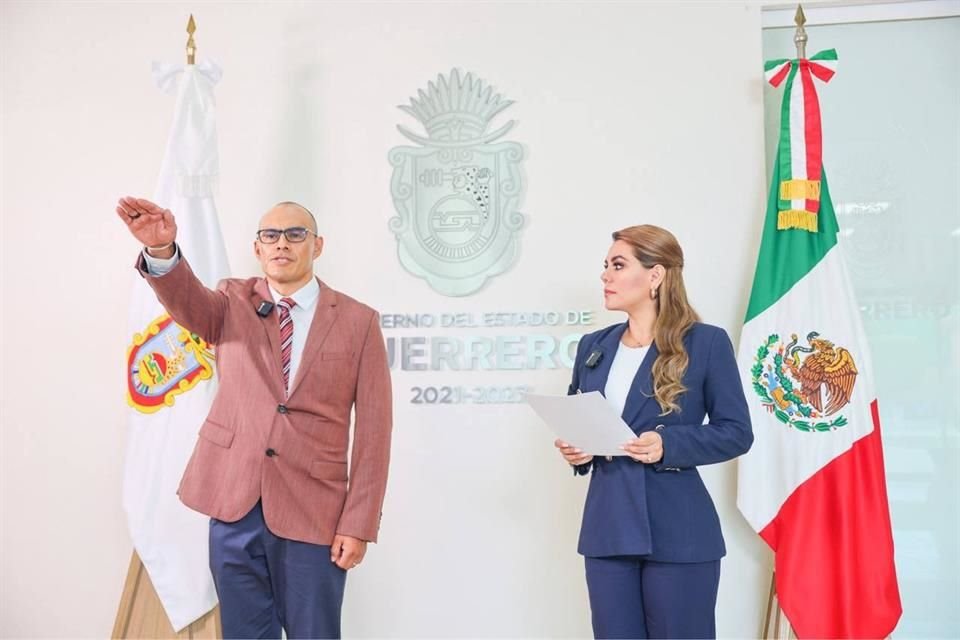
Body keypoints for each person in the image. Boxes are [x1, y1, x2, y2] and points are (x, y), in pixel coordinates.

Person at [116, 196, 392, 639]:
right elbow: (187, 302)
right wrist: (163, 251)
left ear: (317, 246)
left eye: (295, 234)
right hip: (234, 505)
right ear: (258, 249)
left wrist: (357, 524)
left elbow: (375, 436)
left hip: (314, 511)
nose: (282, 243)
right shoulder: (230, 300)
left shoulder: (359, 322)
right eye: (270, 235)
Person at [554, 224, 752, 639]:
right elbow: (580, 415)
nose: (605, 276)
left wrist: (669, 444)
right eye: (605, 266)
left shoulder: (706, 343)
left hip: (679, 531)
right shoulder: (594, 346)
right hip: (608, 529)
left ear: (656, 276)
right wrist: (578, 449)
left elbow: (736, 432)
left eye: (618, 265)